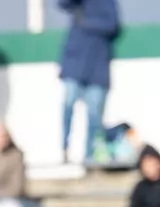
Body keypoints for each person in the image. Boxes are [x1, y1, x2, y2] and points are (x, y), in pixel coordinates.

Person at [57, 0, 120, 166]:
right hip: (75, 65)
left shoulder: (107, 4)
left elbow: (112, 25)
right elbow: (62, 4)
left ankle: (89, 157)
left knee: (94, 117)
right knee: (68, 107)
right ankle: (64, 149)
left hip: (97, 68)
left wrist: (86, 22)